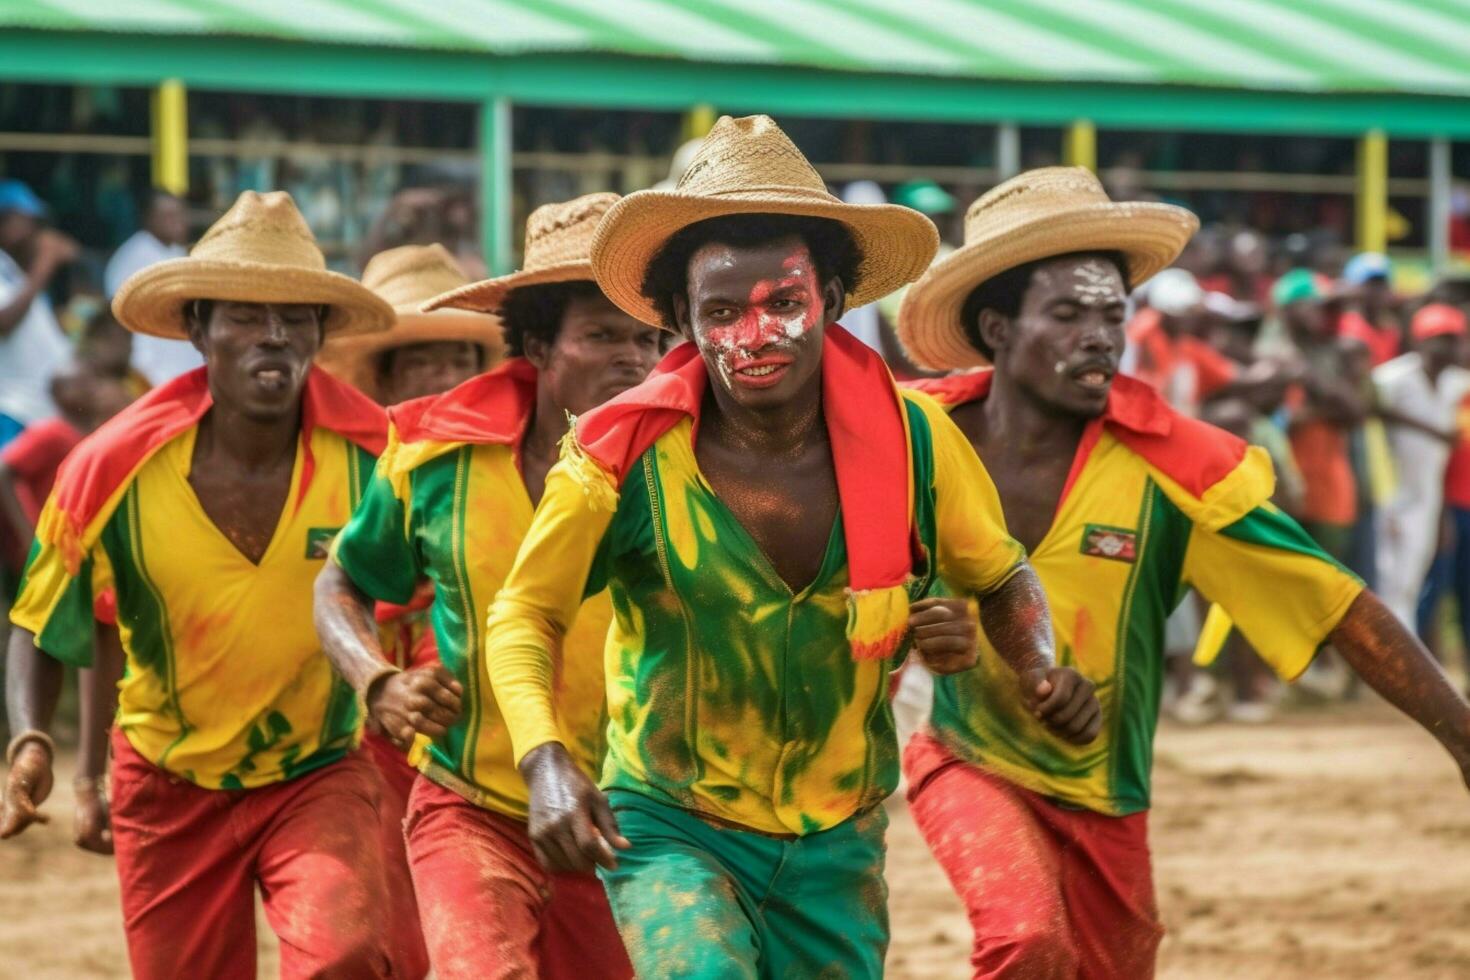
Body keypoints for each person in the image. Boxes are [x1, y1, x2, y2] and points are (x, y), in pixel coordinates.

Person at [482, 115, 1097, 978]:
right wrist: (545, 759)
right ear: (683, 325)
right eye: (722, 312)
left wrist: (1035, 664)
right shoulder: (617, 458)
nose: (756, 335)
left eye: (784, 303)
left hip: (837, 843)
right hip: (670, 823)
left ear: (833, 301)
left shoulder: (916, 439)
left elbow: (1000, 574)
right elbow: (524, 613)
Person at [895, 166, 1470, 979]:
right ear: (998, 328)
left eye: (1111, 315)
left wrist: (1464, 738)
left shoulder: (1182, 469)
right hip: (965, 757)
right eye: (1066, 314)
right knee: (1027, 942)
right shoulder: (912, 432)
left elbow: (1338, 604)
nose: (1099, 336)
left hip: (1109, 793)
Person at [0, 190, 422, 979]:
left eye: (295, 317)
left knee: (350, 956)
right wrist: (32, 742)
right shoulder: (110, 467)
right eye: (244, 315)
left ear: (321, 333)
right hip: (168, 787)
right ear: (196, 329)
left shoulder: (378, 457)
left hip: (319, 769)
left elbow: (438, 596)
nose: (273, 336)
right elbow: (41, 617)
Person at [315, 194, 658, 979]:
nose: (632, 361)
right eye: (602, 335)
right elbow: (342, 581)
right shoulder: (435, 460)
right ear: (538, 343)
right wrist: (376, 683)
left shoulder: (691, 471)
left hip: (633, 823)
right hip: (469, 805)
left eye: (647, 339)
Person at [1373, 304, 1470, 627]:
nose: (1450, 346)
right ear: (1421, 341)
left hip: (1427, 499)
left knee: (1410, 585)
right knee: (1389, 585)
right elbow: (1371, 416)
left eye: (1454, 338)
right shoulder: (1392, 379)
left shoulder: (1456, 383)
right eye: (1442, 338)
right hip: (1390, 495)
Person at [0, 179, 77, 447]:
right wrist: (45, 263)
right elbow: (4, 321)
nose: (34, 229)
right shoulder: (26, 271)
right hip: (13, 409)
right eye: (25, 220)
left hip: (39, 411)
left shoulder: (18, 270)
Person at [104, 189, 197, 386]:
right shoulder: (134, 256)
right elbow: (122, 316)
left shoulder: (175, 251)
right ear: (148, 218)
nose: (177, 220)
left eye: (180, 213)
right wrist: (142, 368)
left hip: (179, 362)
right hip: (149, 368)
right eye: (168, 215)